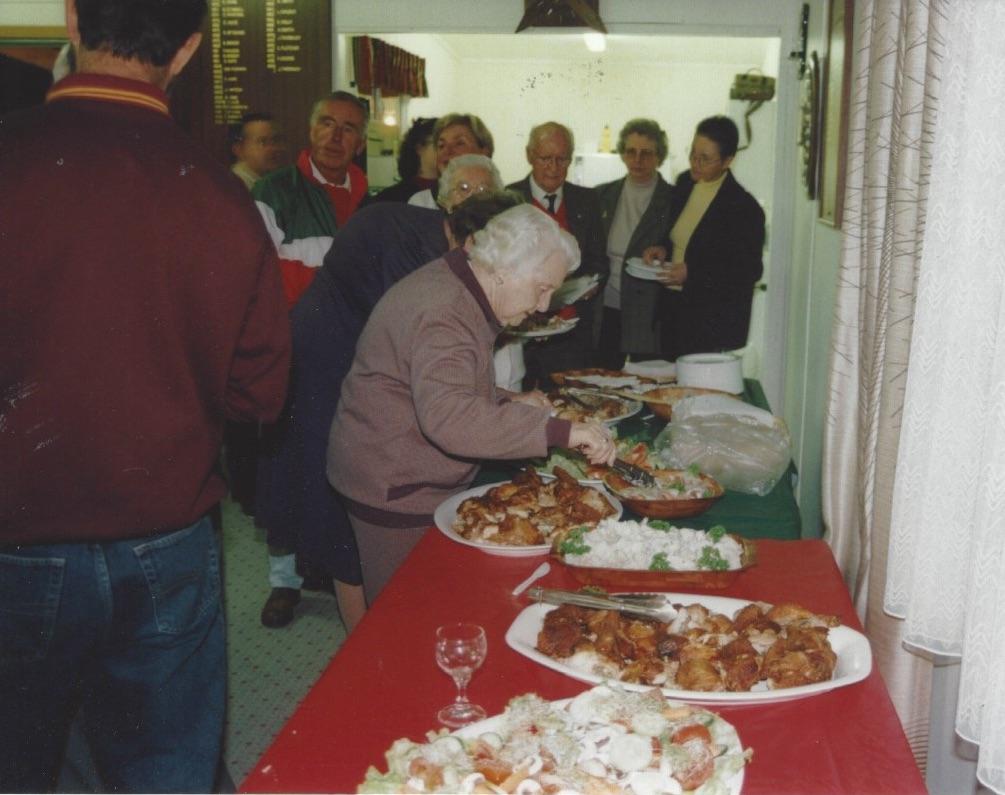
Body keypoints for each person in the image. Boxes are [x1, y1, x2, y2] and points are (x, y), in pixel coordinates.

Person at [0, 0, 291, 791]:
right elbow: (261, 395)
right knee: (164, 768)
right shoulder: (224, 197)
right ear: (191, 49)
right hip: (168, 539)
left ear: (70, 19)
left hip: (17, 535)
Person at [257, 158, 510, 631]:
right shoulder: (410, 249)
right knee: (343, 512)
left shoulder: (428, 236)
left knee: (349, 511)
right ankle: (362, 643)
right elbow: (421, 347)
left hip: (351, 363)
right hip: (325, 369)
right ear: (471, 241)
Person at [327, 205, 617, 604]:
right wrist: (559, 432)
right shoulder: (446, 313)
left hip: (393, 468)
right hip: (394, 483)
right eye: (542, 288)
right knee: (404, 614)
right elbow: (449, 418)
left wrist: (512, 401)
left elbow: (443, 384)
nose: (545, 306)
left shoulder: (458, 285)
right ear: (504, 270)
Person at [644, 115, 765, 359]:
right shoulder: (684, 184)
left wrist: (692, 273)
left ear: (728, 161)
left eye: (705, 159)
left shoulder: (743, 207)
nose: (695, 164)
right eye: (693, 154)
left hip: (709, 321)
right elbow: (679, 235)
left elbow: (749, 270)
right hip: (672, 308)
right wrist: (663, 249)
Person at [508, 121, 607, 381]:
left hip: (572, 332)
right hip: (521, 333)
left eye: (562, 159)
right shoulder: (508, 198)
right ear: (530, 155)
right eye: (546, 158)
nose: (554, 167)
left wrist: (590, 285)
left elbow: (599, 261)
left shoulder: (588, 200)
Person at [254, 91, 369, 308]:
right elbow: (256, 272)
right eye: (327, 124)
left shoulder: (370, 206)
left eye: (347, 129)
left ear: (360, 145)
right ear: (311, 131)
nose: (335, 137)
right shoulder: (273, 191)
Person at [595, 118, 675, 367]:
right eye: (631, 152)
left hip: (650, 312)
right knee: (603, 380)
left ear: (659, 157)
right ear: (622, 153)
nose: (638, 160)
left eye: (646, 153)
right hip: (606, 305)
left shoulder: (674, 200)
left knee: (648, 379)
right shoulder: (602, 195)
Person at [408, 112, 494, 209]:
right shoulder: (421, 202)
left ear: (484, 152)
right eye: (441, 146)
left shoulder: (503, 204)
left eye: (459, 143)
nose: (447, 151)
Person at [370, 116, 438, 203]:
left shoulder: (454, 194)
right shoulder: (391, 198)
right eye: (440, 143)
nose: (448, 150)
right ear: (419, 148)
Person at [229, 111, 286, 191]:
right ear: (239, 150)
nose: (274, 148)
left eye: (276, 140)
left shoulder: (272, 182)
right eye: (263, 142)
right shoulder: (235, 187)